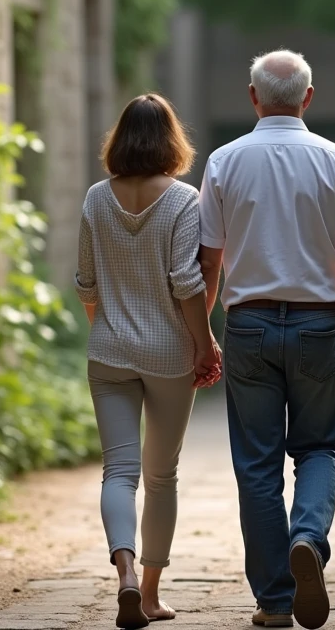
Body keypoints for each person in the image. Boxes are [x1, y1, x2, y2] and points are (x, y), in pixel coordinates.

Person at [197, 50, 335, 630]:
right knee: (319, 448)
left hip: (248, 326)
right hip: (317, 325)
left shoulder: (224, 162)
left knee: (256, 466)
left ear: (252, 98)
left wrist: (204, 333)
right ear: (308, 97)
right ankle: (308, 536)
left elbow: (209, 260)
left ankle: (275, 601)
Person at [75, 94, 223, 630]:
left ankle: (126, 578)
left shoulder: (95, 198)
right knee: (161, 476)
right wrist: (204, 344)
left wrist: (107, 327)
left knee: (118, 471)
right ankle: (153, 595)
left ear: (119, 139)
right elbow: (188, 283)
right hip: (168, 355)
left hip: (108, 353)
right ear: (170, 140)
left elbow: (86, 283)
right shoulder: (184, 200)